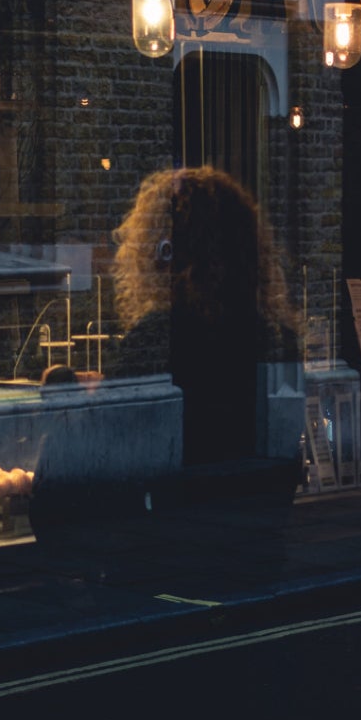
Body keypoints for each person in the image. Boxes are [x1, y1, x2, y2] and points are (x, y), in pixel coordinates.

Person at [109, 165, 302, 484]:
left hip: (177, 521)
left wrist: (63, 385)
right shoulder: (274, 337)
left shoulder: (159, 337)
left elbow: (110, 441)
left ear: (163, 251)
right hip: (257, 519)